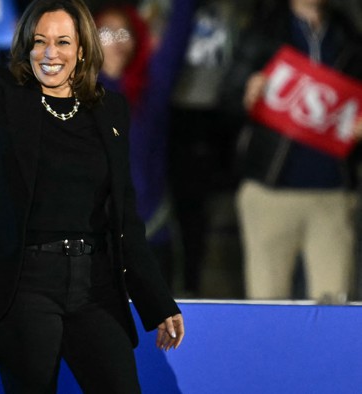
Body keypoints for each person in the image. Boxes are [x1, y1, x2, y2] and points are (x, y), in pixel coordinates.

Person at [0, 0, 184, 392]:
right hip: (24, 285)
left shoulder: (109, 109)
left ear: (82, 48)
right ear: (25, 47)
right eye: (39, 41)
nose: (51, 53)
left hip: (95, 285)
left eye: (63, 41)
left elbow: (123, 218)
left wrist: (157, 301)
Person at [222, 0, 362, 303]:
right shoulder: (263, 29)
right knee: (267, 307)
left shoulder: (349, 35)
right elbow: (227, 98)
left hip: (333, 195)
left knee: (334, 309)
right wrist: (247, 91)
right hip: (270, 191)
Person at [94, 0, 197, 294]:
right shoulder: (72, 95)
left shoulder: (150, 90)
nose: (115, 41)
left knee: (155, 336)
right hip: (95, 243)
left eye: (124, 33)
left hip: (152, 236)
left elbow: (179, 32)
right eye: (105, 33)